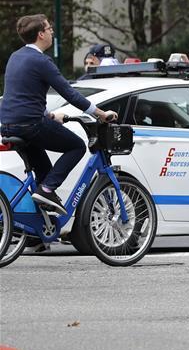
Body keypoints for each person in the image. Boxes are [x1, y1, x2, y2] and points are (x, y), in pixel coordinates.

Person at [1, 14, 118, 215]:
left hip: (9, 124)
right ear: (40, 34)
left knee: (44, 173)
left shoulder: (15, 57)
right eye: (49, 29)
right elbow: (70, 93)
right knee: (76, 146)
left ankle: (35, 232)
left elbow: (24, 94)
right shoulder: (41, 61)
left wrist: (49, 115)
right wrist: (100, 113)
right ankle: (47, 190)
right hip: (31, 125)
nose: (52, 32)